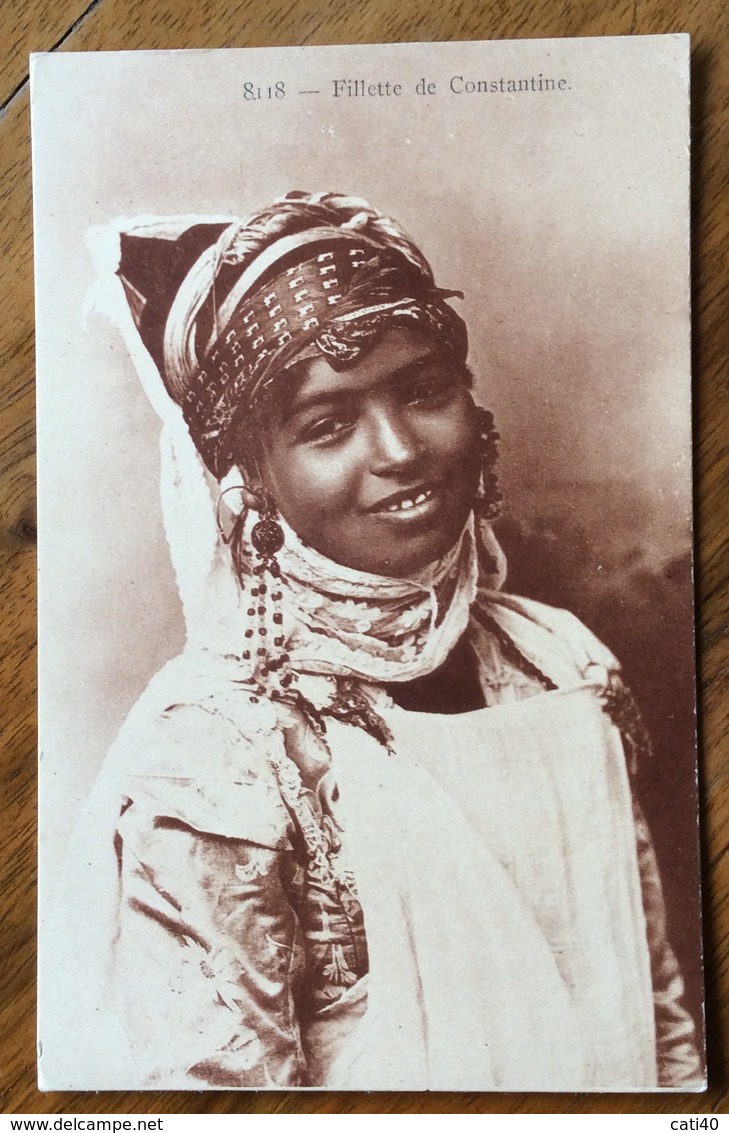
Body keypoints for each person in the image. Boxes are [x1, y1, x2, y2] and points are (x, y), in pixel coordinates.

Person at [42, 192, 702, 1091]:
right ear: (248, 483)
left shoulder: (560, 663)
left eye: (424, 393)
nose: (398, 449)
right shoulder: (218, 755)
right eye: (326, 426)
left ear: (474, 409)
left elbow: (660, 1030)